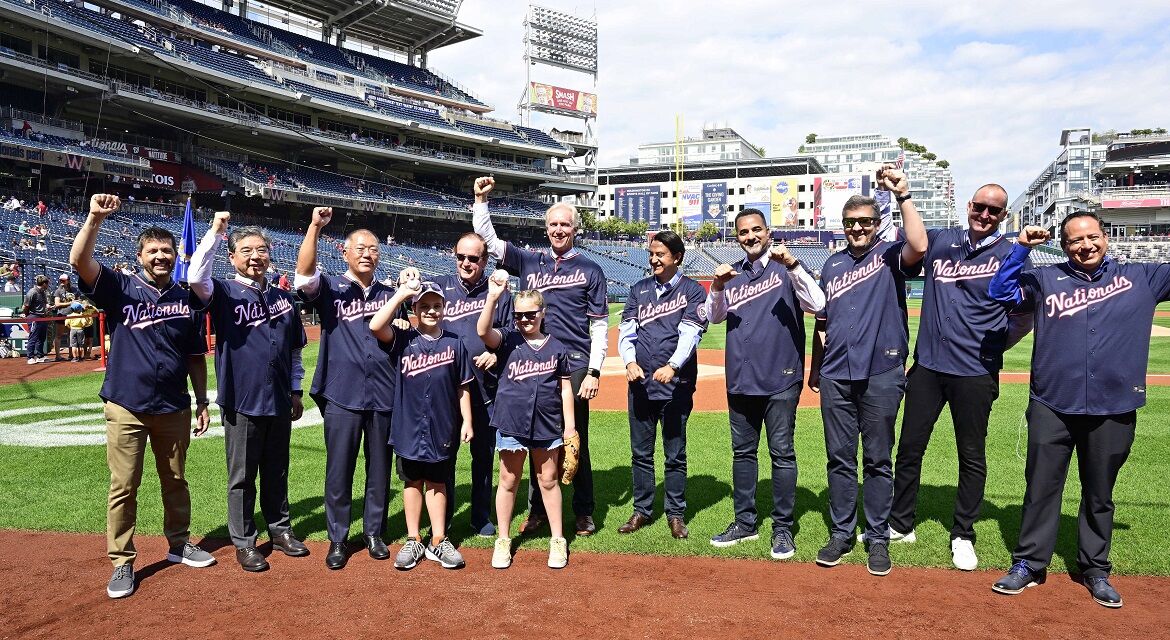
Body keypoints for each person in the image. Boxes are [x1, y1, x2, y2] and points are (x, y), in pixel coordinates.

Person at [987, 212, 1170, 608]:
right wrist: (1021, 247)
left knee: (1100, 492)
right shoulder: (1046, 278)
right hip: (1052, 402)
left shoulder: (1144, 276)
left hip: (1114, 403)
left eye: (1092, 237)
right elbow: (1000, 291)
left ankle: (1095, 569)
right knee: (1040, 488)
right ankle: (1029, 564)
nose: (1084, 246)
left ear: (1106, 237)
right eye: (1074, 241)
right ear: (1064, 245)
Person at [69, 193, 214, 600]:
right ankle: (122, 561)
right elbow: (80, 262)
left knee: (175, 480)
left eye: (167, 250)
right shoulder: (119, 287)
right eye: (153, 251)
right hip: (126, 403)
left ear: (174, 255)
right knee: (124, 485)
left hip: (173, 405)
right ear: (140, 256)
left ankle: (178, 543)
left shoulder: (186, 297)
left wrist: (202, 400)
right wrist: (94, 218)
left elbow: (194, 356)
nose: (161, 256)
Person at [887, 184, 1029, 571]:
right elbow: (914, 241)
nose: (985, 215)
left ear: (1003, 216)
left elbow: (1026, 312)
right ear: (970, 205)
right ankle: (901, 524)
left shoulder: (1011, 253)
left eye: (994, 211)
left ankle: (963, 534)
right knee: (910, 448)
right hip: (929, 366)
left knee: (971, 455)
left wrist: (996, 346)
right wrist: (903, 196)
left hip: (975, 371)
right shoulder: (942, 240)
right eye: (980, 207)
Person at [473, 176, 608, 537]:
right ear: (546, 228)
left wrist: (594, 370)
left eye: (565, 224)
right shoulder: (530, 261)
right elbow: (488, 240)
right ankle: (535, 512)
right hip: (531, 360)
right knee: (534, 438)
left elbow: (599, 325)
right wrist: (481, 202)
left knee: (573, 438)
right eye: (553, 224)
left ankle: (583, 510)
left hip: (575, 363)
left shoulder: (591, 270)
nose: (559, 230)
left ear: (575, 229)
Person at [809, 165, 927, 576]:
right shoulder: (831, 266)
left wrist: (902, 196)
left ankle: (877, 537)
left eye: (865, 222)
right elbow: (822, 324)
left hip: (882, 371)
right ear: (843, 226)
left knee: (878, 459)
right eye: (851, 223)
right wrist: (815, 370)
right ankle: (841, 533)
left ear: (877, 225)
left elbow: (919, 244)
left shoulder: (890, 254)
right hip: (837, 374)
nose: (858, 228)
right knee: (839, 459)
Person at [188, 211, 309, 573]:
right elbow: (194, 276)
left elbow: (295, 350)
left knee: (277, 470)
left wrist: (297, 390)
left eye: (261, 249)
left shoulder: (284, 297)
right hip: (241, 399)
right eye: (246, 250)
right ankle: (244, 541)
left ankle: (280, 530)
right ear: (232, 257)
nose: (255, 256)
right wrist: (214, 232)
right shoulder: (222, 291)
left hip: (278, 398)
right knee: (241, 476)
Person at [704, 210, 825, 558]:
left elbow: (818, 304)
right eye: (743, 232)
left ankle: (783, 529)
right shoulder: (733, 275)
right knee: (743, 453)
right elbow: (713, 317)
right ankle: (744, 523)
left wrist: (793, 264)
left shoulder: (784, 269)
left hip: (781, 378)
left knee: (782, 454)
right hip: (741, 379)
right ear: (737, 237)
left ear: (768, 232)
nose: (750, 236)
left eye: (756, 230)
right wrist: (716, 287)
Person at [294, 207, 400, 570]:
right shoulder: (331, 287)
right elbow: (304, 273)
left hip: (384, 393)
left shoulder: (391, 293)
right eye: (360, 248)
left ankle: (374, 532)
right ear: (345, 252)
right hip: (342, 392)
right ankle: (337, 538)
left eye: (372, 248)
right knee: (339, 469)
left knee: (380, 469)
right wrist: (314, 227)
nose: (367, 254)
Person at [370, 279, 473, 570]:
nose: (431, 311)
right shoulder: (403, 338)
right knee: (412, 481)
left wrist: (467, 420)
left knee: (438, 482)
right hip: (408, 425)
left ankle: (438, 540)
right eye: (424, 306)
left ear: (444, 308)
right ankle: (414, 538)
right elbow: (376, 326)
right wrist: (401, 295)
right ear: (414, 308)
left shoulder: (455, 343)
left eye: (436, 306)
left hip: (443, 425)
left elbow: (462, 387)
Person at [478, 274, 578, 569]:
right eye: (520, 314)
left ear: (542, 313)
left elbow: (565, 389)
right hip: (511, 421)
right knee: (508, 481)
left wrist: (569, 427)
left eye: (531, 314)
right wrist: (493, 297)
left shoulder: (556, 347)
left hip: (547, 424)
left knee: (548, 481)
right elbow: (483, 330)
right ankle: (504, 540)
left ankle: (558, 540)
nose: (525, 319)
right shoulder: (508, 339)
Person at [616, 230, 708, 539]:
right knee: (640, 453)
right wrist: (629, 361)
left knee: (674, 453)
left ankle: (675, 513)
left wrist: (672, 365)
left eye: (661, 254)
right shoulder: (639, 289)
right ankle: (642, 510)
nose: (654, 259)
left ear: (677, 257)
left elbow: (690, 334)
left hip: (676, 385)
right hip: (641, 386)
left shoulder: (693, 291)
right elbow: (627, 331)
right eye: (652, 254)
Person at [432, 232, 514, 538]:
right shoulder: (439, 287)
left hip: (485, 390)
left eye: (474, 258)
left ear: (485, 260)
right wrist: (401, 318)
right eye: (461, 257)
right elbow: (410, 307)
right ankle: (445, 517)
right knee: (445, 457)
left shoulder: (500, 293)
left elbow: (510, 331)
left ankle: (479, 515)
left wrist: (496, 352)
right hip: (446, 390)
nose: (466, 263)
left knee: (483, 457)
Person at [22, 275, 51, 364]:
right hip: (34, 316)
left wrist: (48, 307)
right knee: (33, 337)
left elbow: (45, 304)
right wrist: (28, 315)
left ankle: (40, 356)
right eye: (47, 284)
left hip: (43, 316)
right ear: (44, 283)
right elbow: (26, 306)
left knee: (41, 338)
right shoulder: (32, 292)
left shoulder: (43, 292)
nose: (48, 285)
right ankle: (30, 357)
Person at [51, 274, 76, 361]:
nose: (62, 282)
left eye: (63, 280)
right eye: (60, 280)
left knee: (71, 335)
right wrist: (70, 303)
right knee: (58, 335)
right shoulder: (58, 291)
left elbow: (79, 299)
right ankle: (58, 356)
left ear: (68, 280)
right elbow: (57, 304)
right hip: (62, 314)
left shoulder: (74, 290)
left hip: (72, 315)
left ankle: (71, 355)